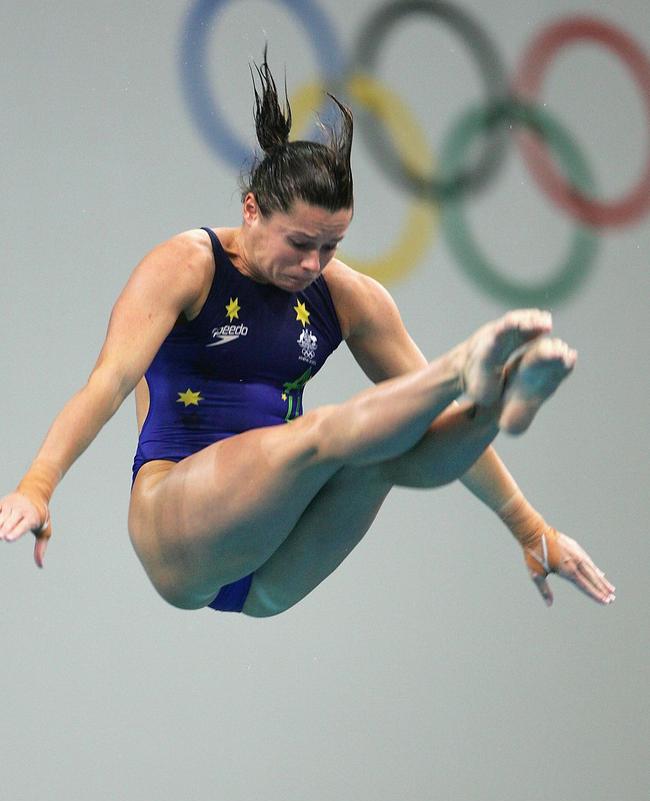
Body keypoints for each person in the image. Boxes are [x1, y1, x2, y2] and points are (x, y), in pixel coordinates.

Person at [0, 54, 614, 617]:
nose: (313, 265)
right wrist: (38, 484)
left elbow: (425, 422)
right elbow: (108, 384)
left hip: (275, 569)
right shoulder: (188, 265)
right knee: (322, 432)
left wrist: (532, 530)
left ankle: (497, 401)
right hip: (177, 524)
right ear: (251, 210)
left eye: (331, 247)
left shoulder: (348, 297)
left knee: (387, 450)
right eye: (299, 244)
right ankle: (465, 365)